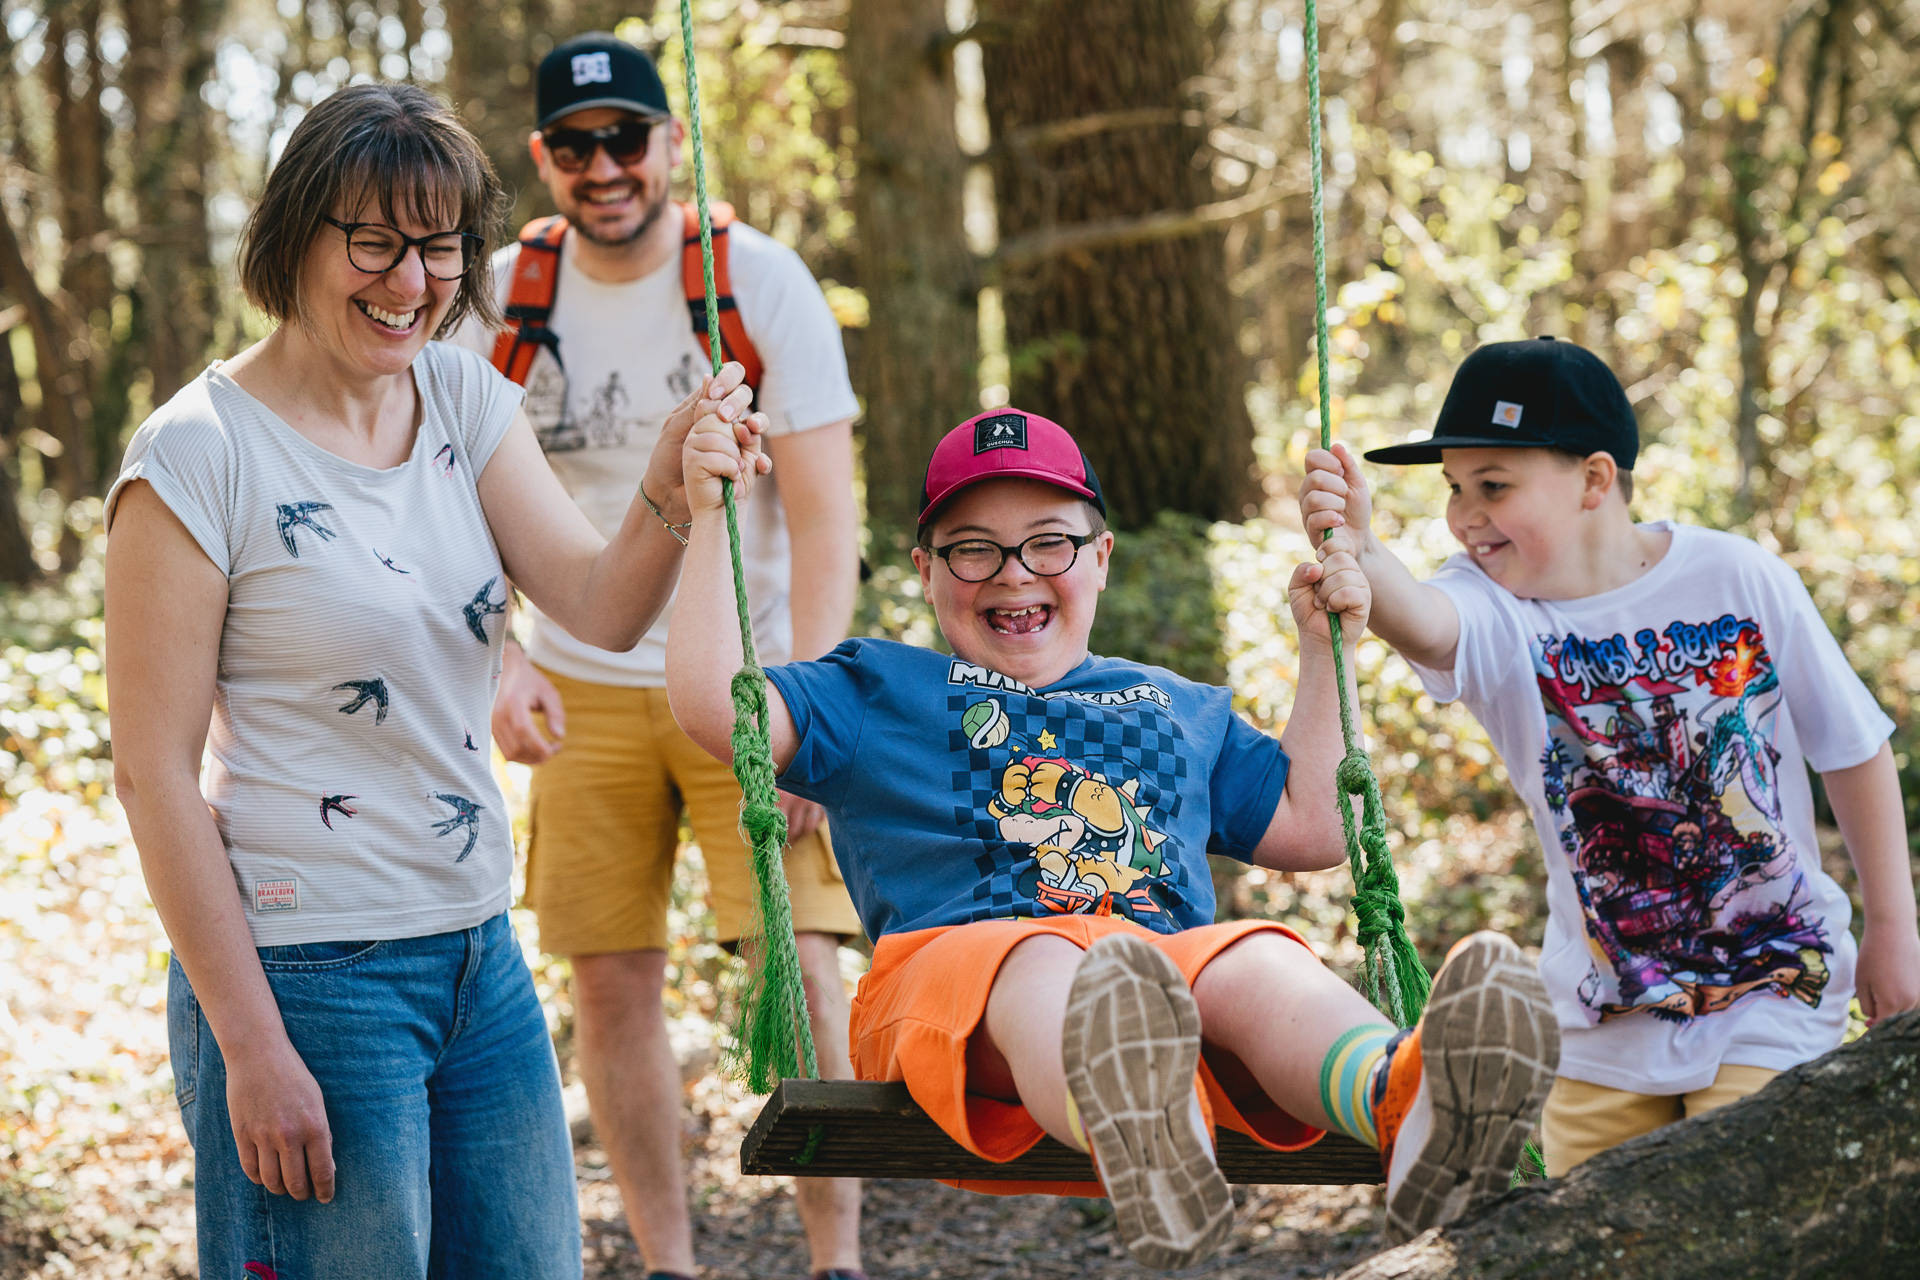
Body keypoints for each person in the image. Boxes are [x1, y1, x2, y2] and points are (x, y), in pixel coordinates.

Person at [104, 82, 768, 1278]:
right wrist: (249, 1047)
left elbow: (602, 602)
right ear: (293, 235)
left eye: (439, 248)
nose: (409, 283)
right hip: (307, 974)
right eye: (372, 242)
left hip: (478, 956)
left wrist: (673, 482)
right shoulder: (197, 454)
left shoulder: (461, 397)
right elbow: (152, 774)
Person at [666, 406, 1562, 1267]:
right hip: (959, 987)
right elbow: (718, 707)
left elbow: (1313, 826)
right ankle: (1138, 1130)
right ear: (926, 571)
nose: (1013, 572)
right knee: (1049, 963)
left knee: (1256, 959)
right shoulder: (872, 689)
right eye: (972, 550)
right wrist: (713, 518)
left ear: (1099, 559)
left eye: (1048, 542)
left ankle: (1411, 1102)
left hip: (1161, 994)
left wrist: (1327, 650)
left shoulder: (1177, 706)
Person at [447, 31, 866, 1280]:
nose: (604, 166)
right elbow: (449, 490)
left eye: (625, 137)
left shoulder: (756, 279)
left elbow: (830, 511)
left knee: (800, 963)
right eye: (575, 147)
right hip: (582, 685)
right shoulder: (503, 295)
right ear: (543, 159)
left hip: (750, 680)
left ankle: (836, 1255)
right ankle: (670, 1261)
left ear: (669, 142)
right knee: (611, 979)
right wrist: (503, 659)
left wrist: (811, 707)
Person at [1298, 336, 1920, 1177]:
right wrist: (1364, 553)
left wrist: (1892, 927)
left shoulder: (1737, 578)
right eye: (1453, 488)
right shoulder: (1495, 608)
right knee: (1596, 1232)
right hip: (1599, 1019)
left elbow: (1852, 747)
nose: (1465, 514)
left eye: (1494, 485)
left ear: (1595, 480)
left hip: (1774, 987)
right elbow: (1425, 617)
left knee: (1731, 1197)